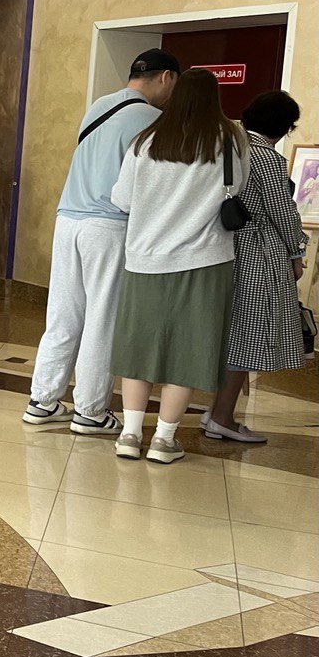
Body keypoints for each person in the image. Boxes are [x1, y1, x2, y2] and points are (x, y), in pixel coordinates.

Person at [23, 48, 178, 434]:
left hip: (67, 218)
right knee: (102, 318)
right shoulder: (154, 120)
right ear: (167, 77)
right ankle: (90, 411)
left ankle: (42, 401)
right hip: (108, 225)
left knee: (63, 313)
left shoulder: (98, 107)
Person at [110, 68, 249, 465]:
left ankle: (130, 434)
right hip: (206, 261)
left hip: (145, 261)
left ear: (174, 95)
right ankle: (164, 440)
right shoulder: (230, 139)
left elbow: (123, 199)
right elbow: (236, 188)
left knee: (139, 348)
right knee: (189, 351)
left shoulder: (146, 140)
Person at [205, 91, 309, 442]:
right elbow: (283, 213)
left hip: (223, 247)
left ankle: (213, 410)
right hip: (257, 254)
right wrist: (297, 253)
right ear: (285, 127)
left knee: (226, 333)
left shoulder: (225, 146)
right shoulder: (267, 157)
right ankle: (222, 416)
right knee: (248, 335)